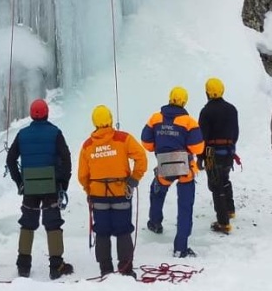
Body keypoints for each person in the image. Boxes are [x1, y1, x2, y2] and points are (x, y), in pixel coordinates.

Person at [6, 98, 73, 280]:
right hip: (51, 186)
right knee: (53, 223)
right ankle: (56, 265)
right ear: (47, 113)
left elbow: (10, 160)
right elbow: (66, 160)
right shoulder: (55, 133)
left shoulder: (22, 134)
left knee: (27, 222)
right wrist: (62, 184)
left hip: (30, 187)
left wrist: (20, 182)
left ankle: (23, 265)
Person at [78, 105, 148, 278]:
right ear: (110, 119)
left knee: (101, 232)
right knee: (123, 231)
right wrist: (133, 180)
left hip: (98, 196)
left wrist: (89, 190)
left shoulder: (87, 146)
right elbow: (141, 157)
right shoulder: (123, 139)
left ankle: (105, 270)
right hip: (121, 193)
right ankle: (125, 269)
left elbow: (82, 175)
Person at [141, 87, 204, 257]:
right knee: (185, 207)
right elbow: (197, 147)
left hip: (164, 165)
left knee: (157, 192)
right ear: (184, 101)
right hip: (185, 167)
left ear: (170, 99)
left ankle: (155, 222)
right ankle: (180, 248)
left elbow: (146, 143)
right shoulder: (189, 122)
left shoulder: (155, 118)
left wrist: (160, 147)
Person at [197, 77, 239, 233]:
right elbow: (235, 133)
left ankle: (223, 223)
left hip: (211, 153)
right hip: (228, 151)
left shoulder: (206, 111)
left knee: (216, 185)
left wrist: (200, 157)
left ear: (207, 92)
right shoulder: (232, 109)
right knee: (224, 179)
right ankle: (229, 209)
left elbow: (202, 137)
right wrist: (231, 147)